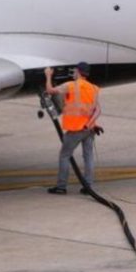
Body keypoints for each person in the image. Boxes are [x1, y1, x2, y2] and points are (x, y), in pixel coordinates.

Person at [44, 62, 101, 195]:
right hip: (89, 129)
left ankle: (61, 187)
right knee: (88, 157)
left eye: (75, 70)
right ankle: (88, 187)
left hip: (75, 129)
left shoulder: (71, 85)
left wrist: (48, 75)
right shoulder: (94, 88)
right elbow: (97, 109)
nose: (73, 72)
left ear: (79, 72)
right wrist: (93, 124)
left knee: (64, 156)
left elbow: (50, 91)